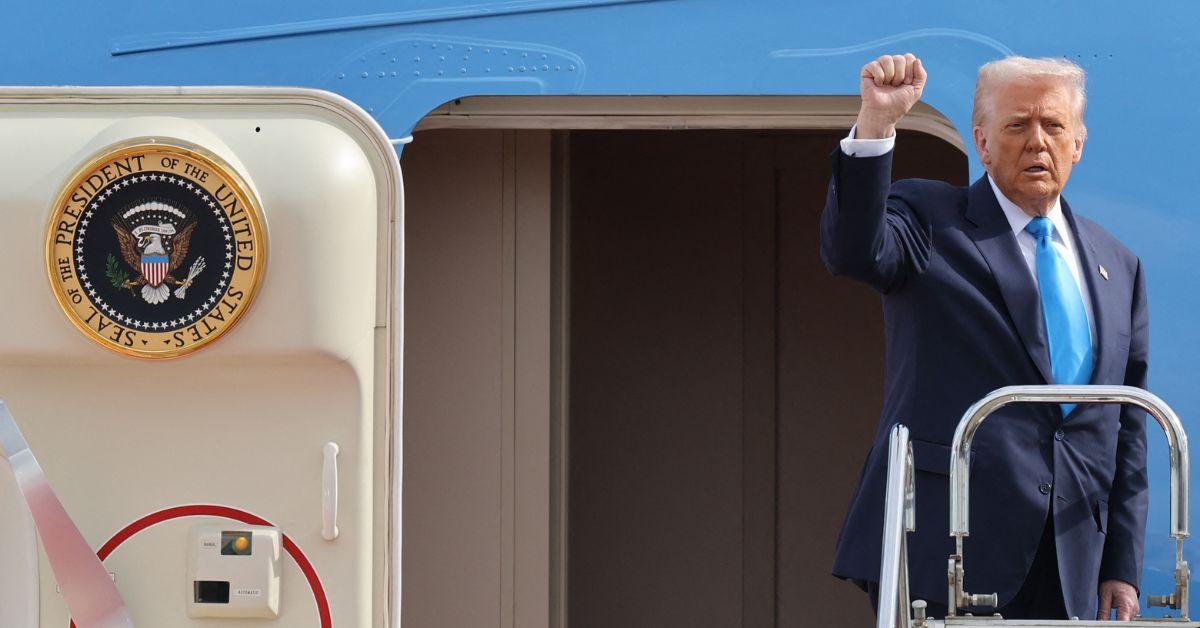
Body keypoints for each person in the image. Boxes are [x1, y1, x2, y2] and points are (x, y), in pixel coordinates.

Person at [824, 53, 1148, 621]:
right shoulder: (929, 216)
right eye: (1017, 125)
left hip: (1071, 564)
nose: (1037, 142)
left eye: (1054, 126)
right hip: (946, 548)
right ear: (981, 139)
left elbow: (1127, 431)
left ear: (1079, 143)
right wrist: (876, 126)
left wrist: (1120, 565)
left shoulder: (1118, 264)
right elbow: (855, 250)